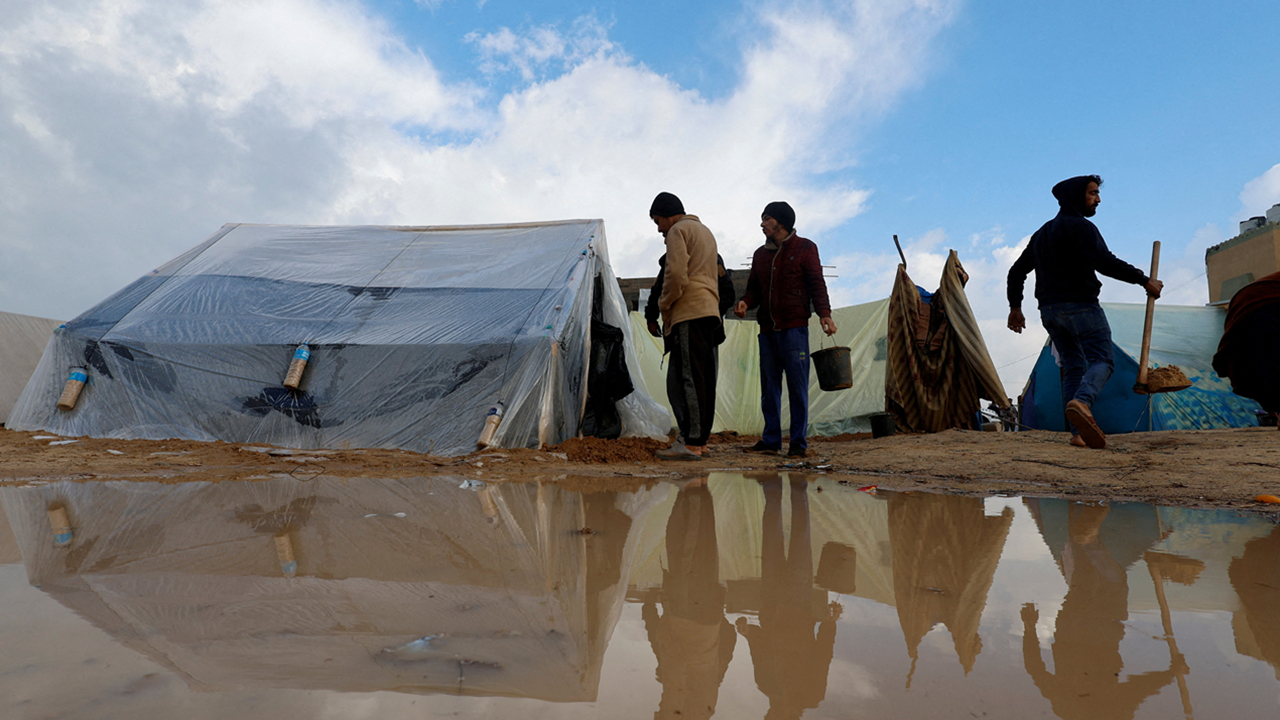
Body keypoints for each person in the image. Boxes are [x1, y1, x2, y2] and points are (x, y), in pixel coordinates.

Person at [1007, 176, 1162, 449]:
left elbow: (1016, 271)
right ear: (1077, 196)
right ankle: (1083, 402)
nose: (1098, 199)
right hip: (1081, 306)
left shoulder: (1043, 233)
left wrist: (1015, 308)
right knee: (1103, 359)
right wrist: (1144, 280)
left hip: (1050, 311)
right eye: (1092, 193)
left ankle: (1077, 434)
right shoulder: (1082, 228)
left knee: (1074, 365)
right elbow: (1105, 262)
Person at [734, 202, 836, 458]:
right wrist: (746, 301)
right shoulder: (760, 255)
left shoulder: (805, 248)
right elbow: (754, 287)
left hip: (795, 329)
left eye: (766, 219)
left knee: (797, 386)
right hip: (768, 329)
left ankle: (798, 443)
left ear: (781, 222)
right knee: (769, 387)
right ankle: (771, 440)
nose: (762, 224)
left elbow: (816, 284)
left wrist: (824, 313)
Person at [650, 192, 723, 461]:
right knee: (703, 378)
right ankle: (700, 441)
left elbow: (676, 274)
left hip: (688, 312)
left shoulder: (678, 231)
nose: (659, 228)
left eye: (658, 220)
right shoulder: (705, 232)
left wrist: (664, 304)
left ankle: (691, 443)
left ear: (668, 214)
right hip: (708, 311)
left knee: (688, 379)